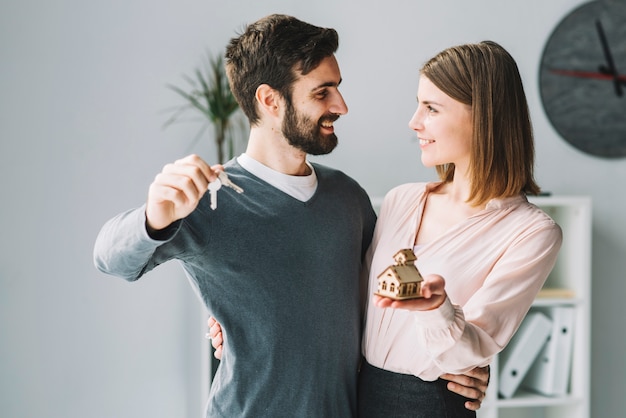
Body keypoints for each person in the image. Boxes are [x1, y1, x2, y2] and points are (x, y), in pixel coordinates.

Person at [93, 14, 487, 417]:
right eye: (322, 93)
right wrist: (154, 214)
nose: (341, 106)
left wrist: (459, 366)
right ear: (270, 100)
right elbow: (110, 259)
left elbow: (388, 307)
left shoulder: (348, 198)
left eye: (338, 88)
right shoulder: (209, 200)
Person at [355, 41, 563, 417]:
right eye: (419, 104)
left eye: (431, 108)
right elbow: (354, 306)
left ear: (483, 117)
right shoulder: (401, 200)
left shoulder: (531, 233)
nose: (413, 121)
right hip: (357, 394)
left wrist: (437, 309)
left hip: (431, 406)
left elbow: (471, 350)